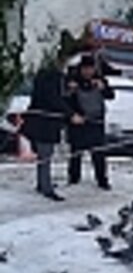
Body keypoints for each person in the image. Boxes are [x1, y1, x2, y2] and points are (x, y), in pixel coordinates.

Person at [19, 54, 76, 201]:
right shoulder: (51, 76)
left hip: (41, 120)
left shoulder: (45, 74)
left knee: (44, 155)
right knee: (45, 155)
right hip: (45, 122)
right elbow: (53, 99)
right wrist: (70, 114)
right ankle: (46, 187)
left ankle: (43, 183)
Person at [66, 54, 114, 190]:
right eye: (85, 69)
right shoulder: (73, 80)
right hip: (79, 123)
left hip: (96, 123)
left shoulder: (99, 80)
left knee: (99, 154)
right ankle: (74, 179)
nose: (88, 72)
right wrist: (71, 90)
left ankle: (102, 180)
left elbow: (111, 95)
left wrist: (103, 87)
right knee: (76, 153)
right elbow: (66, 101)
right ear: (81, 69)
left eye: (90, 69)